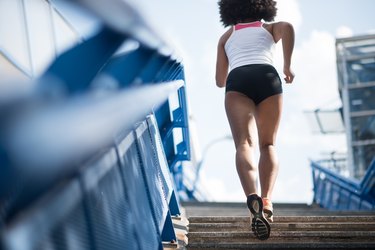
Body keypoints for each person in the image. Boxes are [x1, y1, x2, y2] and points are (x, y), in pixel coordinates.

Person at [215, 0, 295, 240]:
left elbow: (220, 80)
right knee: (268, 144)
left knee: (243, 144)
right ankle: (267, 199)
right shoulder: (268, 28)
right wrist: (287, 66)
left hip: (238, 79)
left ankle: (252, 196)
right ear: (264, 6)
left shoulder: (226, 36)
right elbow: (288, 27)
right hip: (267, 74)